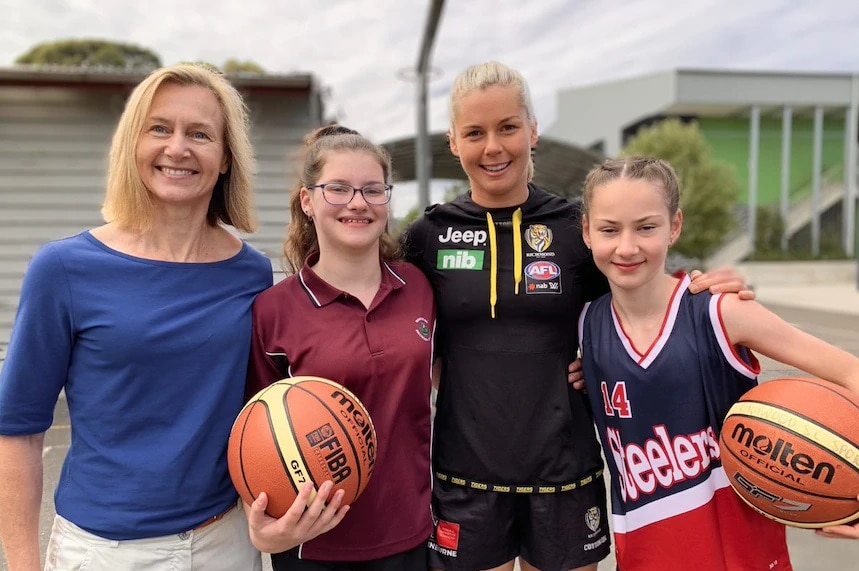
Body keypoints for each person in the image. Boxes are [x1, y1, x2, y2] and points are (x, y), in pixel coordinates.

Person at [400, 61, 750, 571]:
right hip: (464, 478)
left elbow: (647, 300)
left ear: (533, 130)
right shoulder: (428, 235)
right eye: (475, 132)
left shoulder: (577, 228)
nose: (493, 147)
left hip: (565, 474)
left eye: (508, 128)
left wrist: (702, 288)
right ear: (453, 141)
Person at [0, 63, 273, 571]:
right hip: (105, 552)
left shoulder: (252, 273)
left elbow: (262, 414)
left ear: (226, 158)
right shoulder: (63, 268)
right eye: (159, 128)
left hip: (227, 542)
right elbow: (18, 429)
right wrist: (22, 564)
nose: (178, 148)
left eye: (200, 134)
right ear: (132, 145)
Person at [577, 156, 859, 570]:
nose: (626, 246)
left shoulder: (720, 312)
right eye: (609, 229)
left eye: (646, 227)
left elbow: (850, 371)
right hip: (643, 557)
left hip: (743, 559)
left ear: (675, 226)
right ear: (586, 231)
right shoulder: (586, 325)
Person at [244, 125, 436, 570]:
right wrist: (263, 524)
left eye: (373, 190)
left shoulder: (419, 288)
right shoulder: (273, 311)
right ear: (307, 201)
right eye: (338, 189)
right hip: (314, 544)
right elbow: (253, 435)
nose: (357, 203)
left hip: (413, 533)